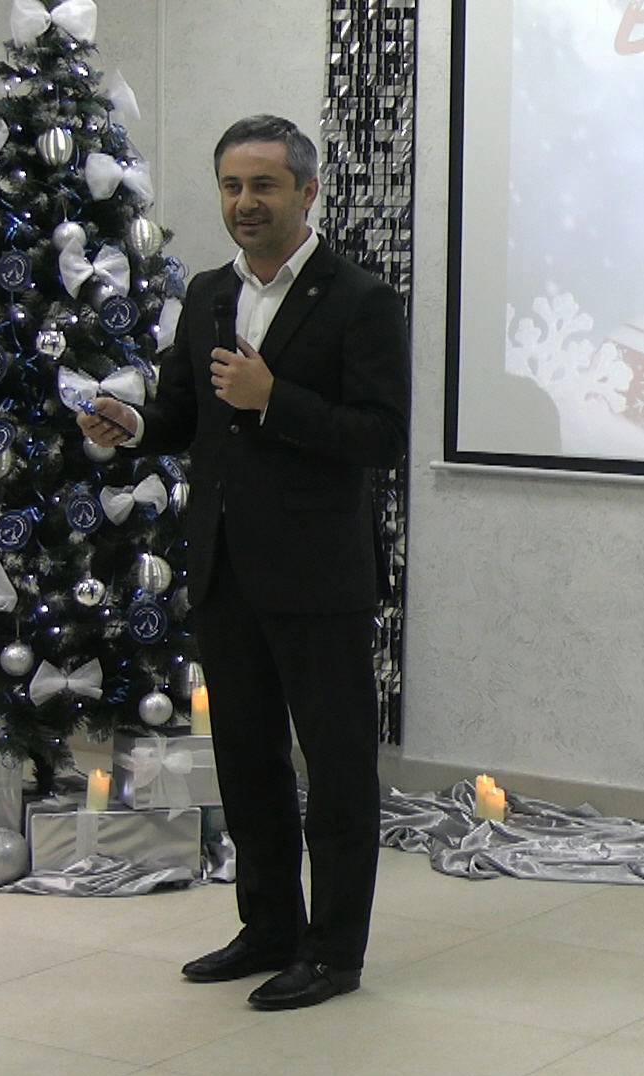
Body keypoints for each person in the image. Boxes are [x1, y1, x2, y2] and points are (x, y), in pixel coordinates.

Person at [79, 114, 409, 1010]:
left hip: (320, 576)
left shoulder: (360, 299)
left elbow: (381, 437)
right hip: (225, 570)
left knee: (336, 773)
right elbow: (188, 414)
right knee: (248, 764)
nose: (245, 202)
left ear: (308, 192)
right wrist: (134, 425)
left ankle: (333, 954)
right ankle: (268, 928)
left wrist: (276, 399)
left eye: (264, 185)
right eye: (231, 186)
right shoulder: (209, 294)